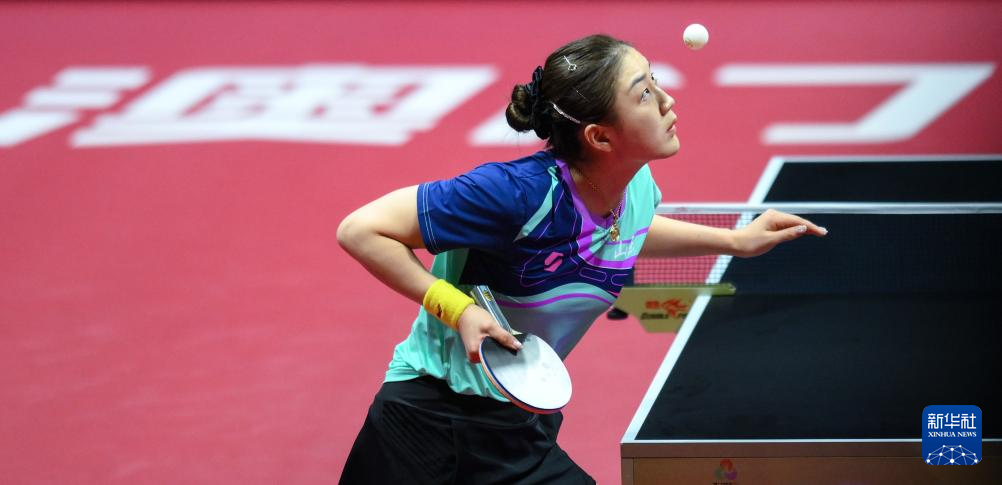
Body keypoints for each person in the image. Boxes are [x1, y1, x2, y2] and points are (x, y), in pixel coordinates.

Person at [336, 34, 827, 484]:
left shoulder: (634, 188)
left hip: (519, 421)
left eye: (655, 80)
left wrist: (735, 241)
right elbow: (361, 230)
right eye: (644, 94)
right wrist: (458, 309)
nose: (667, 100)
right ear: (600, 137)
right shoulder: (515, 194)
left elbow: (625, 232)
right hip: (427, 420)